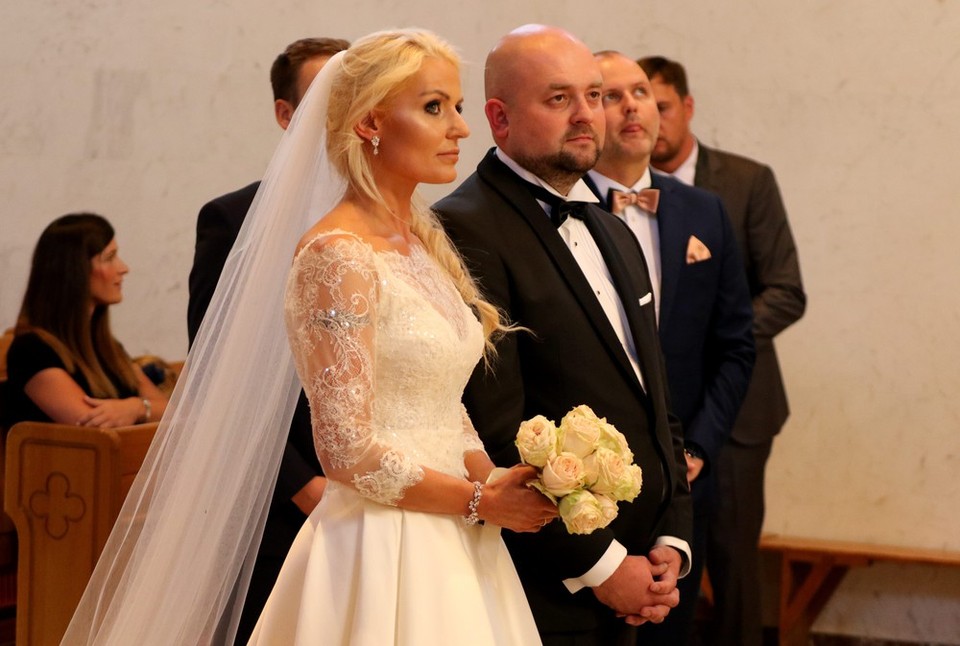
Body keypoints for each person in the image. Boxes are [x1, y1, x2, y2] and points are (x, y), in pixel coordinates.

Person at [63, 29, 556, 645]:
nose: (460, 127)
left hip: (455, 532)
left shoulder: (421, 245)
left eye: (456, 106)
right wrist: (477, 500)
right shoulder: (337, 254)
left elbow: (440, 403)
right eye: (434, 107)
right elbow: (346, 449)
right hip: (383, 541)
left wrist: (496, 479)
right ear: (370, 123)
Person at [434, 25, 693, 646]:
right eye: (558, 99)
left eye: (594, 95)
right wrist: (602, 567)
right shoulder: (464, 230)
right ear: (498, 119)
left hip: (645, 565)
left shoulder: (612, 229)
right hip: (545, 584)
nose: (587, 115)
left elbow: (654, 396)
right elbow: (494, 425)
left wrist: (673, 535)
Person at [583, 51, 755, 645]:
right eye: (611, 95)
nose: (633, 107)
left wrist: (698, 448)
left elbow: (735, 345)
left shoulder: (704, 210)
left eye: (641, 93)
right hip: (584, 479)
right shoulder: (561, 210)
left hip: (681, 481)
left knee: (669, 630)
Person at [638, 55, 807, 646]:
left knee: (732, 561)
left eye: (660, 105)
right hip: (653, 410)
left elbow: (786, 292)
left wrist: (709, 337)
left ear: (687, 107)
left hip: (735, 409)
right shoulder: (614, 193)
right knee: (658, 562)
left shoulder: (744, 182)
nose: (647, 117)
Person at [186, 35, 348, 645]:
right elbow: (217, 377)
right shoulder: (232, 221)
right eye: (329, 98)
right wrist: (303, 486)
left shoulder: (403, 221)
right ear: (286, 114)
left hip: (382, 490)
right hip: (279, 498)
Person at [2, 213, 168, 430]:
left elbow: (173, 412)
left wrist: (136, 408)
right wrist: (142, 410)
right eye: (109, 258)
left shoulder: (108, 347)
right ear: (74, 271)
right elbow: (93, 426)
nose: (123, 268)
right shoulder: (32, 350)